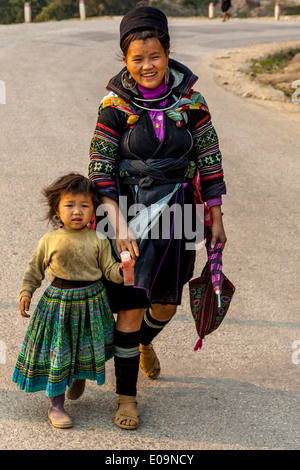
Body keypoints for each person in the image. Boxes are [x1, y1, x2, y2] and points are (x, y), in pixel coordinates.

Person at [88, 5, 227, 430]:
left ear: (167, 52)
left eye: (155, 56)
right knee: (131, 307)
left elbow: (209, 156)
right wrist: (116, 219)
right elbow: (99, 164)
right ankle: (126, 397)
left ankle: (138, 344)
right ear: (125, 60)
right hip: (128, 210)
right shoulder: (114, 104)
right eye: (137, 58)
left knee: (166, 305)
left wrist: (216, 214)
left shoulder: (192, 102)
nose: (147, 65)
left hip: (181, 212)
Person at [12, 173, 123, 429]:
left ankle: (77, 376)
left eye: (84, 206)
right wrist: (26, 292)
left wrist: (125, 270)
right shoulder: (49, 240)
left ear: (94, 210)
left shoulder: (99, 239)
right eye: (69, 205)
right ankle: (56, 405)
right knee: (58, 354)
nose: (77, 211)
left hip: (91, 304)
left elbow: (109, 271)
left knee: (83, 347)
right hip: (58, 305)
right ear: (56, 209)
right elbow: (34, 269)